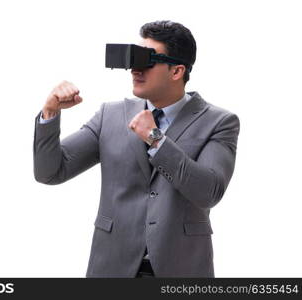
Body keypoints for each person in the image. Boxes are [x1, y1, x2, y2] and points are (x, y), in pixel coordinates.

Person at [33, 20, 240, 278]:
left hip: (181, 270)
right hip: (112, 267)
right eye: (134, 58)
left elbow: (209, 191)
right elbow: (50, 172)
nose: (135, 69)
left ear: (177, 71)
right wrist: (50, 113)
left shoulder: (219, 122)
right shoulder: (110, 115)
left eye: (147, 59)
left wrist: (156, 139)